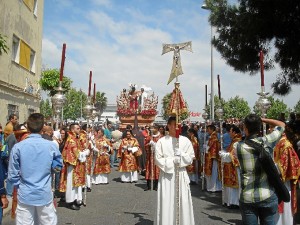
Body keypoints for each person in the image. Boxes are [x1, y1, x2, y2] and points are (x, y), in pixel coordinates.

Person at [220, 114, 285, 225]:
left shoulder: (238, 146)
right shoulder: (268, 140)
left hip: (248, 196)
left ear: (245, 128)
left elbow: (229, 158)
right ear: (260, 127)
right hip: (268, 194)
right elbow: (281, 124)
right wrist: (263, 119)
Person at [7, 113, 62, 225]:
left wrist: (20, 186)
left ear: (27, 127)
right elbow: (58, 166)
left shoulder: (18, 147)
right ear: (42, 128)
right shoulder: (51, 146)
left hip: (25, 194)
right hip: (44, 193)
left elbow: (12, 174)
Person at [154, 116, 195, 225]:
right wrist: (172, 160)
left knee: (183, 201)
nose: (174, 127)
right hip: (168, 176)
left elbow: (191, 158)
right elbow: (158, 160)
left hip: (181, 174)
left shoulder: (185, 141)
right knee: (167, 201)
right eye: (172, 124)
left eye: (177, 125)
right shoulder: (161, 142)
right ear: (168, 126)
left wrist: (182, 156)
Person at [271, 125, 300, 225]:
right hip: (278, 179)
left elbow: (284, 165)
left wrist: (271, 166)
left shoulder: (285, 145)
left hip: (284, 180)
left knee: (285, 204)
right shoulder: (280, 143)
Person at [59, 123, 89, 210]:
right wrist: (84, 153)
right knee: (71, 183)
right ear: (72, 130)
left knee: (77, 184)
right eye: (77, 128)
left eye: (79, 128)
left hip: (78, 165)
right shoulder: (71, 140)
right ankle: (70, 201)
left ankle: (76, 199)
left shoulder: (76, 138)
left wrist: (85, 149)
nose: (79, 130)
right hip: (72, 165)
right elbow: (74, 153)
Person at [222, 124, 242, 208]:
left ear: (234, 132)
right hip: (229, 167)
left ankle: (235, 202)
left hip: (234, 167)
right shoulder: (233, 141)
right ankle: (229, 201)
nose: (229, 133)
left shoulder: (237, 142)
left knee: (234, 187)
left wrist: (224, 155)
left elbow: (233, 156)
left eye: (230, 131)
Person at [144, 125, 162, 191]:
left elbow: (162, 147)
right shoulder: (149, 137)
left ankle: (156, 186)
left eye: (153, 128)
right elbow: (145, 145)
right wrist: (148, 145)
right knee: (149, 169)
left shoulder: (161, 137)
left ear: (157, 129)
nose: (152, 129)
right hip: (150, 157)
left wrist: (155, 145)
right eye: (151, 128)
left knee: (157, 170)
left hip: (157, 156)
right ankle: (148, 185)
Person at [205, 124, 222, 192]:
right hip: (211, 156)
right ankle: (214, 187)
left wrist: (207, 150)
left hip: (213, 157)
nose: (207, 131)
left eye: (208, 129)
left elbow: (214, 148)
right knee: (214, 172)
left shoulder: (214, 137)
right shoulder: (212, 136)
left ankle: (214, 187)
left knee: (214, 172)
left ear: (212, 129)